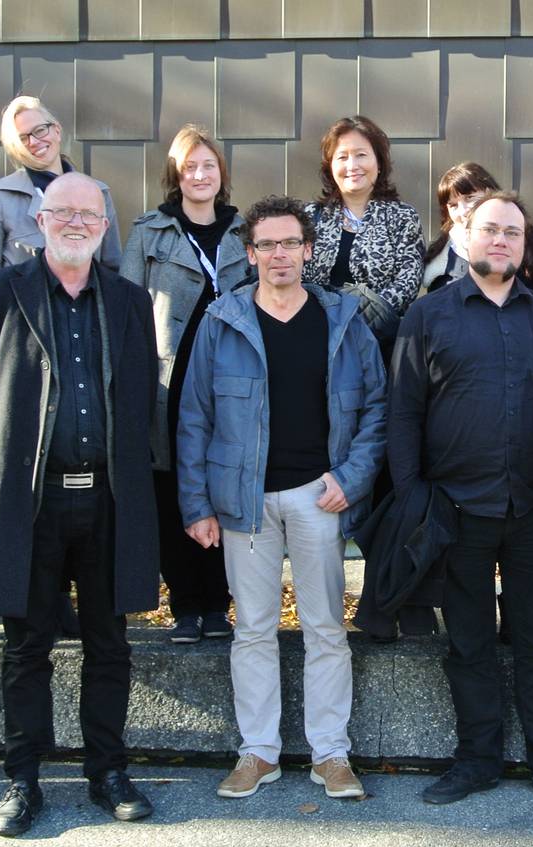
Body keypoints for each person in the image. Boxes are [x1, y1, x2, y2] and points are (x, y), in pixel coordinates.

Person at [0, 173, 160, 838]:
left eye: (88, 214)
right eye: (62, 211)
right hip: (29, 502)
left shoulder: (128, 300)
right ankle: (23, 779)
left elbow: (142, 395)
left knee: (110, 644)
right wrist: (7, 461)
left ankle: (108, 771)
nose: (75, 223)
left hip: (109, 499)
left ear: (104, 226)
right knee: (26, 647)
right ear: (39, 222)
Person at [389, 192, 533, 810]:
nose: (501, 240)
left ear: (523, 243)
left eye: (513, 231)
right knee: (469, 642)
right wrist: (414, 497)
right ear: (466, 237)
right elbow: (403, 412)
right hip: (456, 508)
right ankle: (477, 760)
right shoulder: (427, 315)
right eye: (490, 229)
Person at [178, 195, 387, 802]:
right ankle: (258, 752)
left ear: (308, 251)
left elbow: (377, 407)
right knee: (252, 630)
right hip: (243, 502)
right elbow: (194, 417)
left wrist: (351, 478)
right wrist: (197, 504)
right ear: (250, 254)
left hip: (319, 495)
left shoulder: (342, 319)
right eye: (266, 244)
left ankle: (331, 754)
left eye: (290, 243)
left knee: (325, 628)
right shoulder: (223, 320)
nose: (279, 255)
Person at [120, 124, 249, 645]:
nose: (199, 175)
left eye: (208, 165)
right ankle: (186, 606)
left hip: (230, 379)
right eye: (189, 166)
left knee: (222, 482)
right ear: (175, 175)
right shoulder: (150, 231)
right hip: (168, 381)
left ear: (222, 173)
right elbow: (129, 308)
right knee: (172, 485)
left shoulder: (244, 230)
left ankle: (218, 604)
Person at [0, 96, 122, 279]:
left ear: (57, 130)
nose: (34, 142)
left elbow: (112, 270)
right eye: (22, 138)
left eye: (40, 130)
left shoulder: (98, 193)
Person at [301, 116, 423, 347]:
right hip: (316, 336)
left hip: (377, 342)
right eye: (342, 157)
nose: (352, 166)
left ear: (379, 163)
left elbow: (408, 280)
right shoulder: (308, 217)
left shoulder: (402, 217)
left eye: (361, 155)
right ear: (330, 166)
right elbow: (296, 275)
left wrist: (359, 320)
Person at [423, 161, 533, 304]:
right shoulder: (439, 264)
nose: (463, 211)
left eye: (470, 198)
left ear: (491, 194)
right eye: (453, 205)